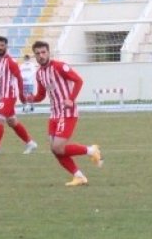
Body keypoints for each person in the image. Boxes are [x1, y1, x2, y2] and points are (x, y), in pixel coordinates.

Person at [28, 41, 101, 186]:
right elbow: (42, 95)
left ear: (49, 52)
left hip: (67, 112)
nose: (41, 56)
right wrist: (32, 98)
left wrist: (71, 99)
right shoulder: (39, 74)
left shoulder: (60, 67)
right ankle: (79, 176)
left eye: (43, 52)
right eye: (38, 53)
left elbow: (78, 81)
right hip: (54, 114)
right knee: (55, 150)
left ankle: (91, 150)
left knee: (57, 147)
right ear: (35, 55)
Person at [0, 36, 37, 156]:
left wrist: (21, 95)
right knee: (12, 121)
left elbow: (19, 77)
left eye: (2, 45)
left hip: (10, 95)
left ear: (6, 46)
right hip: (3, 96)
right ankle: (30, 143)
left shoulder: (10, 62)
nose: (0, 47)